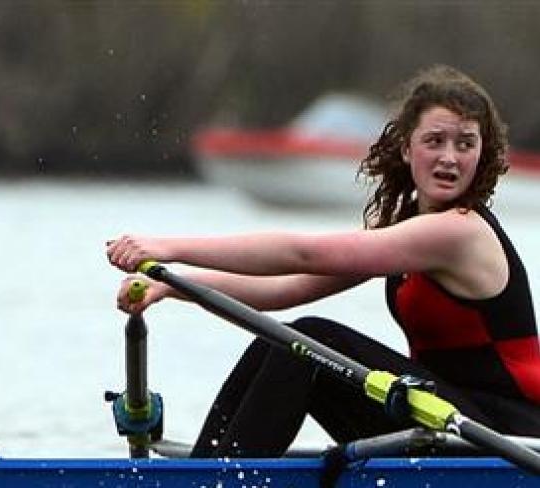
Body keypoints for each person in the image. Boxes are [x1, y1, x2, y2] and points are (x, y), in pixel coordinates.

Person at [107, 65, 540, 457]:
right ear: (407, 149)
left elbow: (305, 253)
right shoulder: (404, 228)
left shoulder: (460, 232)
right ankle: (208, 476)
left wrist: (168, 247)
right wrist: (174, 285)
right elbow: (284, 290)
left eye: (466, 144)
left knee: (312, 341)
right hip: (441, 420)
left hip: (505, 436)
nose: (450, 157)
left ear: (482, 153)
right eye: (435, 141)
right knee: (282, 341)